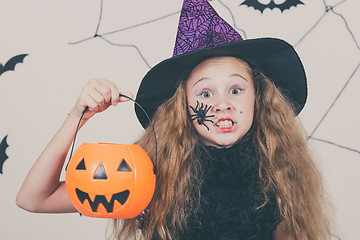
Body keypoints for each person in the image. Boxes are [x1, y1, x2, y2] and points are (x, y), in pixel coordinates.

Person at [17, 0, 330, 239]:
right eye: (205, 94)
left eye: (236, 89)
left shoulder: (279, 169)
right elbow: (34, 199)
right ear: (182, 106)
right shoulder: (150, 170)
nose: (222, 104)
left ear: (258, 99)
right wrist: (77, 116)